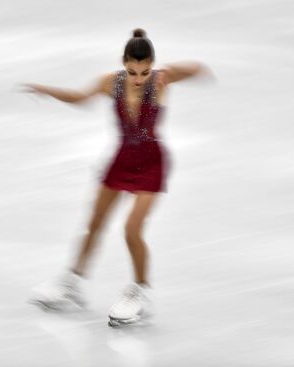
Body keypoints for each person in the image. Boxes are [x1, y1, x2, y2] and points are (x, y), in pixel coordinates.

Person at [20, 28, 213, 326]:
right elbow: (78, 98)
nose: (139, 78)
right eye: (133, 71)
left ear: (152, 64)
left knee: (132, 229)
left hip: (151, 163)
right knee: (94, 223)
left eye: (145, 71)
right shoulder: (111, 83)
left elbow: (195, 68)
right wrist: (46, 90)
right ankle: (72, 283)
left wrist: (183, 72)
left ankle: (140, 291)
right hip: (121, 160)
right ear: (123, 63)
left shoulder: (161, 79)